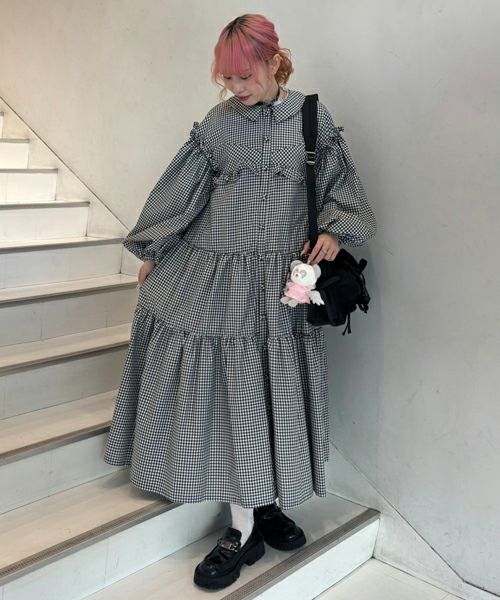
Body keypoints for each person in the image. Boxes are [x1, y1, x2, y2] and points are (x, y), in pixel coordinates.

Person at [103, 13, 377, 591]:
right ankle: (242, 525)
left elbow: (344, 189)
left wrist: (334, 231)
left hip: (282, 285)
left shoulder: (311, 118)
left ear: (274, 62)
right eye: (225, 78)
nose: (234, 87)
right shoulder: (218, 125)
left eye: (244, 76)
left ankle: (266, 501)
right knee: (237, 396)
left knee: (273, 392)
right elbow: (183, 192)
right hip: (219, 280)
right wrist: (154, 249)